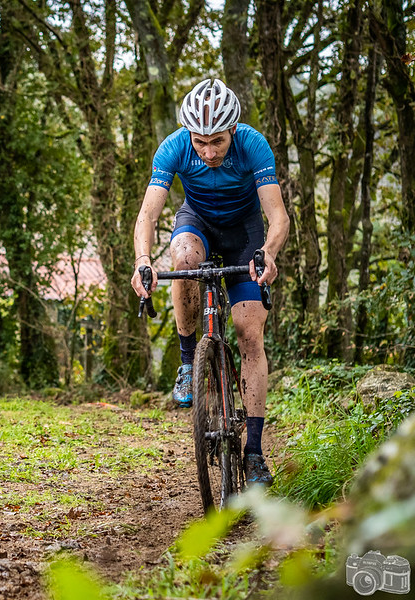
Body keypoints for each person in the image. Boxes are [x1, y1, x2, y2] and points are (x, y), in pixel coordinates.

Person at [130, 78, 289, 485]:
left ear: (232, 130)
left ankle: (253, 452)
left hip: (245, 233)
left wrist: (267, 253)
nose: (207, 151)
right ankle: (188, 362)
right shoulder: (174, 147)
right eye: (199, 141)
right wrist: (142, 261)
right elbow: (148, 215)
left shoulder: (253, 145)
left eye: (216, 141)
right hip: (196, 222)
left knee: (249, 334)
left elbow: (278, 217)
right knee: (181, 261)